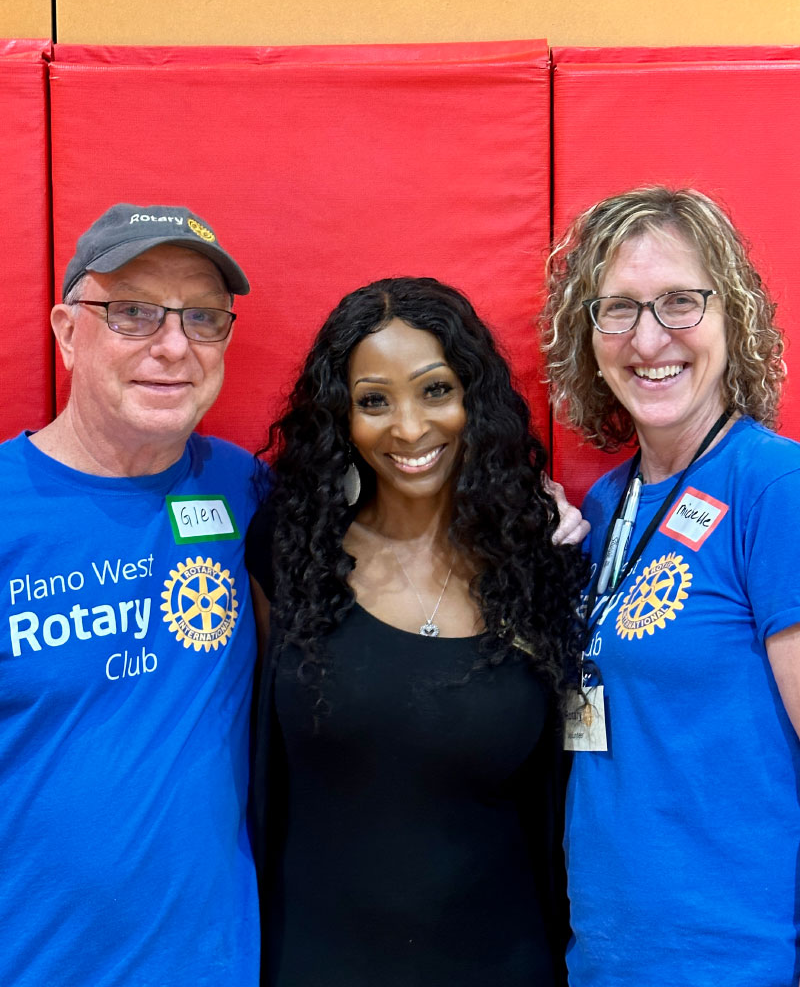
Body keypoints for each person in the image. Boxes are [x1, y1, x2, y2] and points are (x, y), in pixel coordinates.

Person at [246, 275, 586, 986]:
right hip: (315, 962)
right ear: (341, 416)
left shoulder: (540, 561)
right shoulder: (289, 549)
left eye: (435, 390)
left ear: (474, 398)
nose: (408, 428)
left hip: (504, 964)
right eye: (374, 401)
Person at [542, 186, 800, 986]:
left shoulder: (775, 488)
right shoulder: (602, 506)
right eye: (618, 309)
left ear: (734, 316)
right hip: (608, 957)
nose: (649, 338)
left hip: (741, 959)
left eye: (681, 302)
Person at [0, 204, 260, 985]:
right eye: (133, 312)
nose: (174, 346)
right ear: (66, 332)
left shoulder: (245, 489)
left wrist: (527, 510)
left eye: (203, 317)